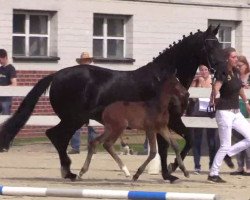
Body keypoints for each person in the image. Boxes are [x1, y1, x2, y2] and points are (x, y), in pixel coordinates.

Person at [208, 47, 250, 183]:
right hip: (224, 112)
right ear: (227, 58)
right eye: (233, 57)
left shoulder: (237, 72)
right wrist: (215, 97)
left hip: (236, 112)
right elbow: (216, 88)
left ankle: (228, 153)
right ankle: (213, 174)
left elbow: (239, 89)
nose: (236, 59)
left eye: (236, 57)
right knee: (225, 144)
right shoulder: (222, 71)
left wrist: (247, 102)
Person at [68, 52, 98, 154]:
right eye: (83, 61)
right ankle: (76, 147)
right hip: (80, 101)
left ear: (89, 61)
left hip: (92, 101)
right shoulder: (76, 73)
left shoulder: (95, 73)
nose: (85, 62)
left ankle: (92, 147)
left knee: (92, 126)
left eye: (87, 60)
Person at [189, 65, 218, 174]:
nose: (204, 72)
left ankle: (212, 165)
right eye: (202, 70)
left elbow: (216, 93)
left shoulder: (213, 80)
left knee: (212, 141)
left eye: (206, 70)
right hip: (198, 112)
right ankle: (197, 166)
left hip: (210, 112)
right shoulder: (196, 81)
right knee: (197, 140)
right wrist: (196, 83)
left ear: (209, 71)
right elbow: (192, 97)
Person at [230, 55, 250, 176]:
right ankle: (240, 166)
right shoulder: (235, 76)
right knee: (237, 138)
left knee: (248, 138)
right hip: (237, 108)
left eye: (240, 66)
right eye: (237, 66)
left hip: (247, 107)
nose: (238, 68)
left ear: (246, 65)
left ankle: (249, 167)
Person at [0, 49, 17, 152]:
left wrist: (3, 89)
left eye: (0, 59)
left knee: (6, 122)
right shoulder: (0, 69)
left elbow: (14, 84)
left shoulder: (11, 69)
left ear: (4, 57)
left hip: (6, 100)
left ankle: (6, 144)